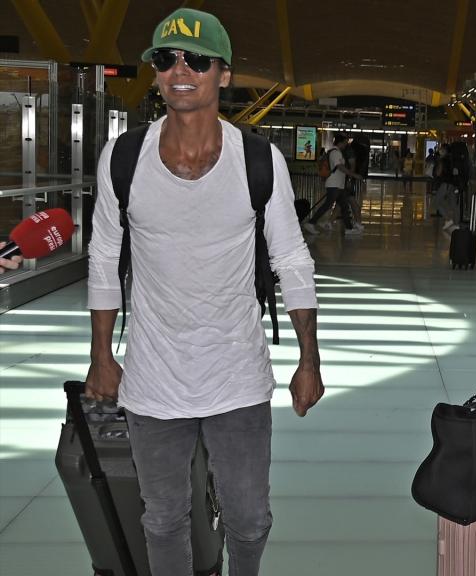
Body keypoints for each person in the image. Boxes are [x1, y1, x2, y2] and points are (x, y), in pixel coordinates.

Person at [85, 8, 324, 575]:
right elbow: (101, 255)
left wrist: (309, 360)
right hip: (152, 378)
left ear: (224, 74)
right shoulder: (124, 159)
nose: (179, 70)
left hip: (236, 377)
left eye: (197, 59)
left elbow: (291, 258)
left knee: (249, 520)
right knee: (162, 519)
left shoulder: (259, 161)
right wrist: (100, 356)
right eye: (165, 59)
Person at [304, 132, 363, 236]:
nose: (346, 144)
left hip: (338, 185)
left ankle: (349, 229)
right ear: (341, 142)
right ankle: (311, 223)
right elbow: (340, 167)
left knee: (344, 207)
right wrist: (354, 175)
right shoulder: (336, 153)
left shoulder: (336, 152)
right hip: (334, 184)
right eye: (345, 142)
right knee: (328, 205)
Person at [433, 143, 459, 232]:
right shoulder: (452, 159)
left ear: (444, 150)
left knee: (437, 201)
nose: (439, 150)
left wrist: (435, 173)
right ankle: (456, 224)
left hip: (445, 183)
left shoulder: (442, 160)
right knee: (453, 204)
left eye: (441, 149)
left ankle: (448, 219)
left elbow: (438, 173)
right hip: (452, 184)